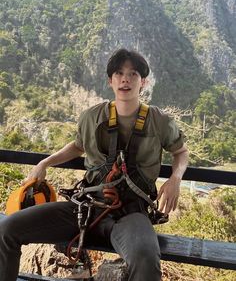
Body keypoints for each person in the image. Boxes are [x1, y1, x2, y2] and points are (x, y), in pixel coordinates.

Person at [0, 48, 189, 281]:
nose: (125, 79)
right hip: (85, 207)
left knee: (146, 258)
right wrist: (45, 162)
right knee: (7, 229)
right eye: (119, 73)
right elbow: (78, 145)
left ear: (144, 82)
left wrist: (175, 179)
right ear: (110, 81)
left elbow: (180, 152)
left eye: (133, 74)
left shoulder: (159, 121)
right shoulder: (92, 117)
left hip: (130, 214)